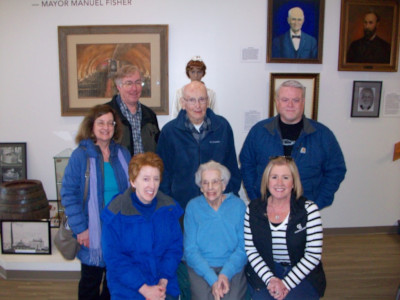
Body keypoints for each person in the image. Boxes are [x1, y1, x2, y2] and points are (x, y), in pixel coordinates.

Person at [240, 80, 346, 210]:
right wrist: (256, 198)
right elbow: (246, 165)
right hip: (265, 207)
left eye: (296, 100)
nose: (290, 105)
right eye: (285, 100)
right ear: (277, 102)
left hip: (305, 208)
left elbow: (336, 170)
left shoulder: (322, 135)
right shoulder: (259, 131)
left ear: (303, 102)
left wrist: (318, 202)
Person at [61, 104, 131, 300]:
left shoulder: (123, 154)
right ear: (91, 126)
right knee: (90, 284)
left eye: (110, 123)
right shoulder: (81, 155)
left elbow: (131, 192)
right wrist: (81, 229)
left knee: (114, 282)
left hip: (119, 230)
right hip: (91, 231)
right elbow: (68, 194)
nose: (106, 127)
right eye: (101, 122)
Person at [101, 152, 183, 300]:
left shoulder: (169, 209)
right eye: (145, 179)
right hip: (128, 289)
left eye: (156, 179)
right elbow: (115, 259)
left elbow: (174, 248)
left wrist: (163, 280)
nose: (151, 185)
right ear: (133, 181)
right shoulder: (115, 212)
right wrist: (144, 289)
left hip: (163, 285)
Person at [244, 156, 326, 300]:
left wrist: (286, 283)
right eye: (274, 177)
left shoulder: (309, 210)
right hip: (267, 270)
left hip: (302, 273)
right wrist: (271, 279)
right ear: (267, 181)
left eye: (286, 177)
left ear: (294, 182)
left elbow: (313, 255)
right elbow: (251, 250)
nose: (279, 183)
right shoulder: (253, 210)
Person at [156, 81, 241, 210]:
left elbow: (232, 168)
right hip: (180, 207)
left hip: (217, 205)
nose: (197, 105)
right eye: (191, 100)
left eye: (202, 99)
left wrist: (229, 196)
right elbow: (163, 174)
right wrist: (168, 205)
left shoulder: (222, 127)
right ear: (183, 103)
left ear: (208, 101)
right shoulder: (169, 132)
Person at [184, 161, 247, 300]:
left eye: (215, 182)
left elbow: (243, 248)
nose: (210, 187)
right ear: (200, 187)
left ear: (224, 185)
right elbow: (190, 250)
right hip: (201, 267)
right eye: (205, 183)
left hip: (231, 265)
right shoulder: (193, 207)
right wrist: (212, 279)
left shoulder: (238, 206)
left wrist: (225, 274)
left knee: (232, 298)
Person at [105, 64, 160, 156]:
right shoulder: (106, 114)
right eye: (129, 83)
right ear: (119, 87)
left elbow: (158, 149)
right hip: (118, 170)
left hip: (146, 169)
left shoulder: (150, 115)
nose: (134, 88)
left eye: (138, 83)